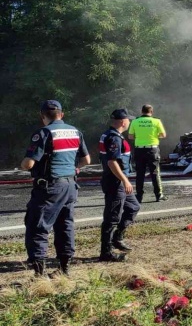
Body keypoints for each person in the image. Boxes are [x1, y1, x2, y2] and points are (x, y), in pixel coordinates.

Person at [21, 100, 90, 276]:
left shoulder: (43, 133)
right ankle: (64, 269)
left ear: (42, 116)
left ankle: (39, 275)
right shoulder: (75, 131)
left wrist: (23, 163)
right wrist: (73, 168)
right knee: (65, 225)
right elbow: (86, 160)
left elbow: (29, 163)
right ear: (62, 114)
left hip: (50, 187)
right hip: (70, 185)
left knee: (38, 226)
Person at [99, 109, 141, 262]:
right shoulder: (114, 138)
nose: (130, 122)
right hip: (115, 182)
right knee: (112, 217)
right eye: (129, 120)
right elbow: (112, 162)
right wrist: (125, 180)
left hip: (120, 182)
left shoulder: (112, 135)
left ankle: (118, 237)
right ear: (123, 122)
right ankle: (106, 252)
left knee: (133, 207)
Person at [128, 105, 167, 203]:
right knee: (155, 173)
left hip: (139, 150)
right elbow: (163, 135)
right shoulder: (156, 121)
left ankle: (139, 196)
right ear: (152, 112)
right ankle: (159, 195)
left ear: (141, 111)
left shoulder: (135, 121)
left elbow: (130, 136)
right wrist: (154, 135)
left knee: (140, 174)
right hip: (152, 150)